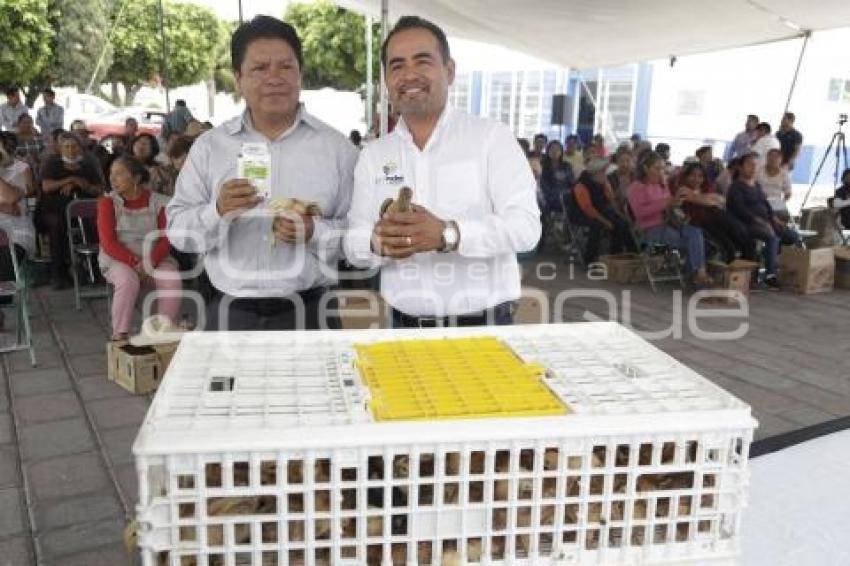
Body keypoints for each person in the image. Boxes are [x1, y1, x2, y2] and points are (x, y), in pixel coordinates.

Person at [344, 15, 540, 327]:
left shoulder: (491, 138)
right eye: (396, 66)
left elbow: (526, 228)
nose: (409, 74)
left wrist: (449, 234)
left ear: (449, 71)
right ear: (386, 81)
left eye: (422, 61)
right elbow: (353, 241)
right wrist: (377, 242)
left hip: (484, 325)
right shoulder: (374, 154)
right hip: (402, 325)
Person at [167, 15, 358, 331]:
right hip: (230, 312)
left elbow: (359, 238)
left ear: (300, 74)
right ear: (238, 78)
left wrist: (314, 233)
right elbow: (177, 231)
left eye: (285, 66)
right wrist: (217, 211)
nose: (274, 78)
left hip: (311, 313)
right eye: (259, 68)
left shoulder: (338, 150)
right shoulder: (209, 147)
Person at [98, 156, 181, 341]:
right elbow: (108, 242)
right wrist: (137, 263)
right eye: (111, 174)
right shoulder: (107, 203)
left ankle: (164, 332)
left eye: (119, 174)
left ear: (135, 178)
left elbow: (165, 238)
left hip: (155, 256)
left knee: (171, 279)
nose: (112, 178)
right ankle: (120, 334)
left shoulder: (160, 202)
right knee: (127, 281)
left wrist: (149, 262)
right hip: (118, 258)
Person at [627, 151, 712, 286]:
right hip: (650, 229)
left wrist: (675, 205)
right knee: (694, 241)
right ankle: (698, 278)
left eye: (662, 168)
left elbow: (669, 206)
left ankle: (699, 275)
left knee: (696, 232)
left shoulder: (662, 185)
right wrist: (666, 203)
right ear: (645, 168)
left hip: (671, 224)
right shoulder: (636, 188)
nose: (661, 171)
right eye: (657, 168)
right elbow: (640, 213)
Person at [37, 132, 106, 288]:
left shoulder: (88, 166)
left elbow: (100, 189)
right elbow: (47, 186)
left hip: (82, 210)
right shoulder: (52, 164)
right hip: (53, 210)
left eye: (74, 146)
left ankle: (95, 270)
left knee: (94, 224)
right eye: (66, 147)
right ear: (60, 149)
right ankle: (59, 273)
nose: (70, 150)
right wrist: (71, 179)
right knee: (57, 225)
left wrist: (83, 185)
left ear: (80, 149)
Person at [727, 152, 800, 289]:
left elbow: (765, 204)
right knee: (771, 237)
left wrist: (774, 218)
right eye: (749, 165)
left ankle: (775, 263)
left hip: (767, 221)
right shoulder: (736, 187)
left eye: (755, 165)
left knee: (793, 236)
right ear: (740, 168)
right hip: (747, 224)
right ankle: (770, 275)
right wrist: (759, 221)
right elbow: (739, 210)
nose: (753, 168)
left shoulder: (756, 185)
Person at [672, 162, 748, 263]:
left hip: (714, 220)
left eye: (700, 176)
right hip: (697, 223)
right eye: (692, 175)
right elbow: (708, 201)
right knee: (728, 242)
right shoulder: (682, 189)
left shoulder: (706, 187)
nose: (696, 179)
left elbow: (722, 200)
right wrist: (710, 200)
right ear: (686, 176)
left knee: (737, 236)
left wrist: (705, 199)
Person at [573, 158, 634, 264]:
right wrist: (606, 222)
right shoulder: (580, 186)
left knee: (622, 223)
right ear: (594, 174)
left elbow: (611, 202)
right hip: (583, 214)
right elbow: (589, 209)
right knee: (597, 226)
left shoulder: (604, 183)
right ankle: (590, 260)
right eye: (602, 172)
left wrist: (620, 215)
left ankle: (620, 255)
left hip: (601, 210)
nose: (604, 175)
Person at [757, 148, 792, 221]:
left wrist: (782, 202)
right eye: (771, 156)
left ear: (781, 159)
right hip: (760, 201)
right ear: (767, 158)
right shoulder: (758, 171)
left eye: (776, 157)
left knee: (784, 216)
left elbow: (788, 193)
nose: (773, 159)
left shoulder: (784, 174)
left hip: (776, 203)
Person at [539, 140, 574, 214]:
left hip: (565, 195)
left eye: (557, 149)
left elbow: (571, 182)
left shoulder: (567, 166)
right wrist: (557, 195)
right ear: (547, 151)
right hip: (549, 196)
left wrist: (566, 193)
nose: (554, 151)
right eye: (552, 149)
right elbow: (543, 185)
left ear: (561, 152)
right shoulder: (542, 165)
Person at [607, 146, 635, 214]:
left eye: (628, 161)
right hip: (617, 211)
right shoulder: (610, 178)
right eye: (622, 161)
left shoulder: (636, 176)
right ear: (617, 161)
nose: (625, 164)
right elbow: (610, 200)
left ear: (632, 161)